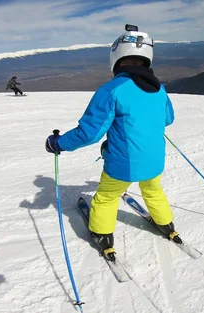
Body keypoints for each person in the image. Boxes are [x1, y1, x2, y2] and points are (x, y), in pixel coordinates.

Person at [44, 24, 177, 261]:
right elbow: (168, 119)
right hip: (155, 160)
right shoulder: (159, 88)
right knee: (153, 191)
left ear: (117, 57)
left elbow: (89, 134)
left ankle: (102, 234)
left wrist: (58, 143)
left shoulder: (112, 90)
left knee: (106, 197)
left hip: (122, 164)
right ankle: (166, 224)